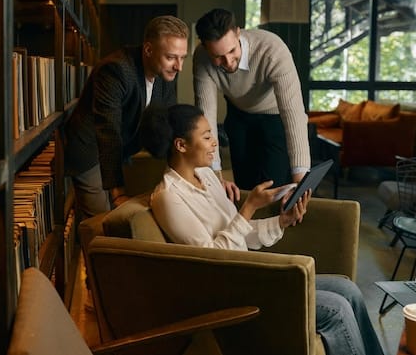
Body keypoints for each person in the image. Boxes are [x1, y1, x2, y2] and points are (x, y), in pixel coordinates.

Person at [139, 104, 384, 355]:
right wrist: (249, 207)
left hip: (249, 275)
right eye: (206, 136)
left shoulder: (207, 176)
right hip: (227, 292)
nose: (215, 142)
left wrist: (282, 221)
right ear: (181, 145)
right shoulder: (168, 197)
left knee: (349, 290)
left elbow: (238, 233)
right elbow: (210, 259)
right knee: (336, 308)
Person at [63, 15, 189, 219]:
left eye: (182, 57)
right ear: (148, 49)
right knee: (99, 222)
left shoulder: (166, 73)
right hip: (90, 149)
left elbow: (170, 123)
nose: (179, 66)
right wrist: (117, 191)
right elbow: (108, 131)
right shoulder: (116, 70)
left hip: (123, 146)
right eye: (171, 57)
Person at [193, 7, 311, 194]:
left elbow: (294, 114)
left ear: (238, 33)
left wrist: (301, 182)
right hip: (239, 114)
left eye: (232, 51)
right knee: (244, 188)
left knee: (275, 186)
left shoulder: (272, 50)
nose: (229, 62)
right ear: (205, 47)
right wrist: (214, 175)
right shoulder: (201, 57)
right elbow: (206, 116)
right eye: (218, 57)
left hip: (275, 116)